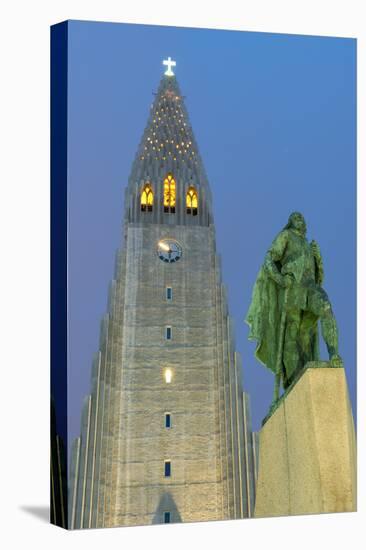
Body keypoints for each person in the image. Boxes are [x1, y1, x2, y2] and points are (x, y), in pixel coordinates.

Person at [246, 212, 342, 391]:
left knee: (325, 307)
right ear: (290, 222)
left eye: (302, 217)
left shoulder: (308, 244)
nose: (300, 218)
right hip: (292, 290)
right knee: (294, 332)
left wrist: (318, 258)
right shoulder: (286, 236)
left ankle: (334, 353)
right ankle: (292, 379)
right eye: (295, 217)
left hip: (309, 286)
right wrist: (280, 279)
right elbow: (269, 259)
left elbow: (319, 277)